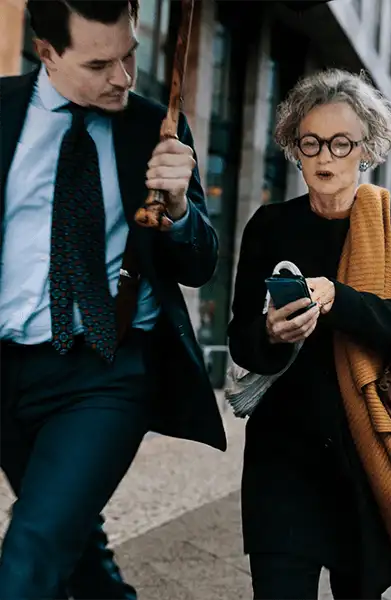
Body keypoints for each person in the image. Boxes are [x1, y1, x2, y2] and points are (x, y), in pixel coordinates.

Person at [0, 0, 226, 598]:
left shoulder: (157, 129)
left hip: (103, 375)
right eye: (100, 64)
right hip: (5, 366)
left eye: (129, 55)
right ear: (47, 52)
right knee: (75, 550)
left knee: (32, 549)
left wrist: (179, 210)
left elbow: (200, 264)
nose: (123, 77)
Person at [228, 69, 391, 599]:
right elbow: (241, 339)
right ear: (294, 147)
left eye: (340, 143)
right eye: (311, 143)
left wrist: (339, 299)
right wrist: (271, 331)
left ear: (366, 148)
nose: (325, 157)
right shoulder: (269, 226)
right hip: (282, 460)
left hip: (368, 458)